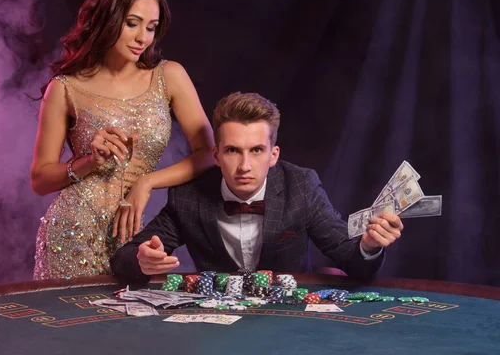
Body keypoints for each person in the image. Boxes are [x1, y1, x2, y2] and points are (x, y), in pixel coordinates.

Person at [30, 0, 214, 279]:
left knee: (131, 324)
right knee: (70, 325)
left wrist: (147, 182)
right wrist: (89, 161)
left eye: (152, 27)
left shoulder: (169, 76)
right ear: (108, 18)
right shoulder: (65, 87)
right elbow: (39, 180)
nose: (143, 37)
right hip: (73, 234)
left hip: (133, 237)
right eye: (132, 23)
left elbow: (208, 153)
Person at [111, 92, 404, 282]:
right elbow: (124, 258)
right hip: (217, 327)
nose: (244, 166)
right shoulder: (189, 196)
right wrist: (141, 260)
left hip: (287, 321)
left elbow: (351, 257)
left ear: (273, 155)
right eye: (232, 151)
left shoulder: (301, 187)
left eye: (256, 151)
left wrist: (369, 246)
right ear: (216, 155)